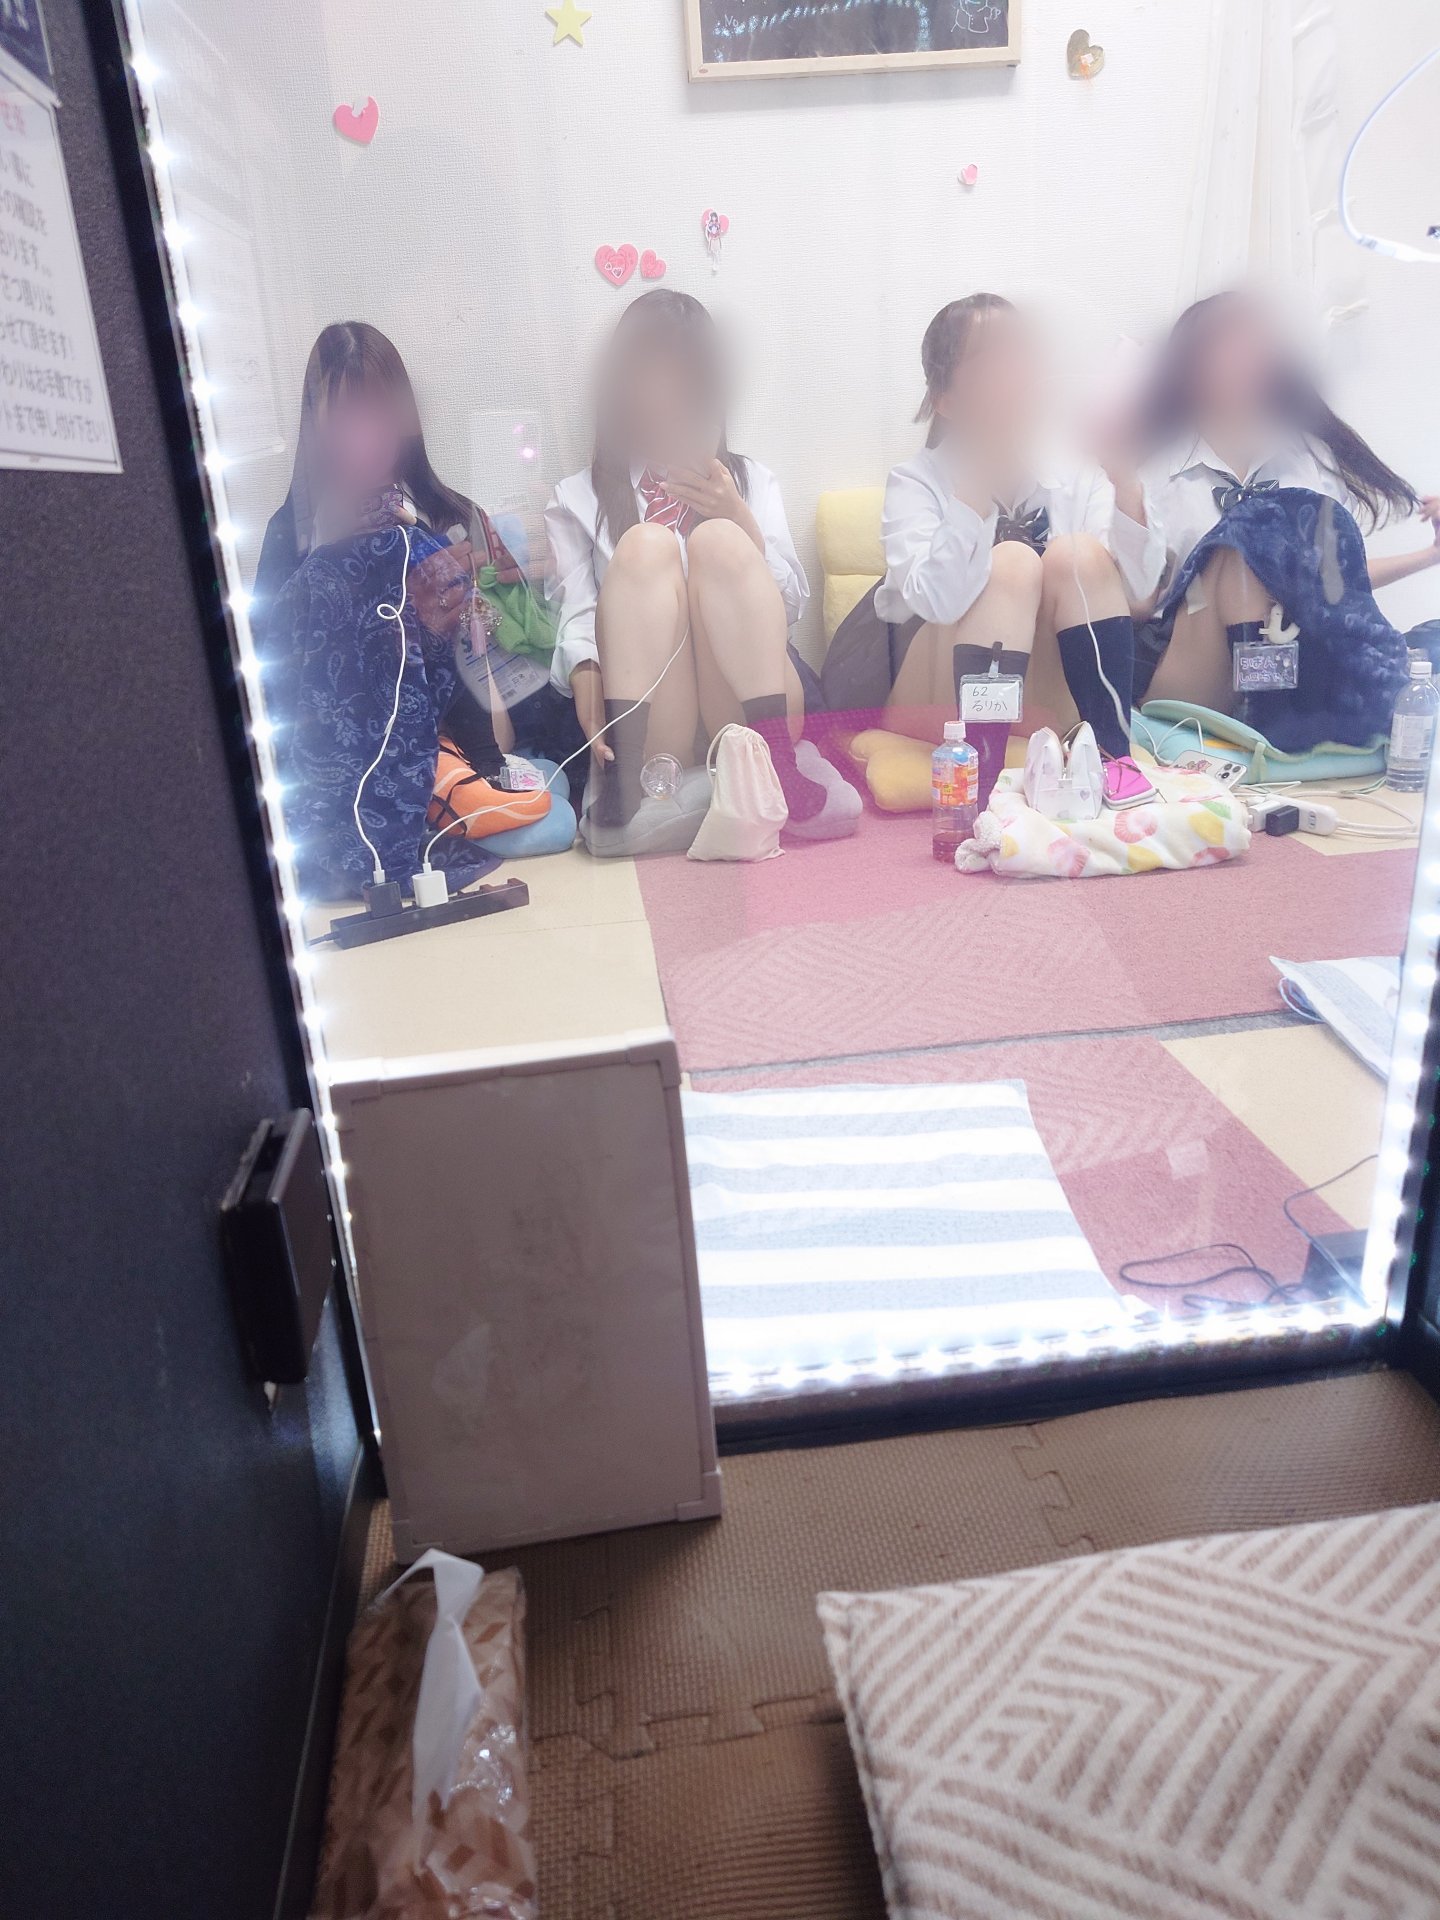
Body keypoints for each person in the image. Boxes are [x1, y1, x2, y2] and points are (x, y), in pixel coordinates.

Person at [254, 323, 581, 897]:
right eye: (345, 416)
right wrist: (327, 560)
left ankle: (466, 794)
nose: (363, 437)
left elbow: (513, 677)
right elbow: (275, 680)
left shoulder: (450, 517)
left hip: (467, 739)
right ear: (316, 424)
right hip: (353, 766)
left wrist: (484, 604)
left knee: (547, 818)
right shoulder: (293, 533)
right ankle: (455, 804)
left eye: (378, 413)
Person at [545, 289, 858, 855]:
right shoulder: (578, 497)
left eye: (682, 380)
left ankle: (776, 765)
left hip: (750, 705)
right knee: (645, 547)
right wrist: (587, 687)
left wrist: (736, 516)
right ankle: (625, 780)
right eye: (648, 376)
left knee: (718, 540)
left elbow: (787, 612)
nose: (663, 397)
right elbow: (578, 614)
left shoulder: (750, 480)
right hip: (652, 722)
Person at [822, 294, 1161, 806]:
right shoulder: (916, 482)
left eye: (1020, 354)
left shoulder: (1073, 472)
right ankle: (982, 780)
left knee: (1080, 555)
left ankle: (1116, 757)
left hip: (1047, 697)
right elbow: (935, 603)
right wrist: (976, 487)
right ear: (946, 399)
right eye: (989, 360)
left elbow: (1139, 596)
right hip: (933, 698)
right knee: (1013, 563)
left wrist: (1122, 473)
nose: (1013, 373)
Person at [1109, 289, 1440, 749]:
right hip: (1190, 664)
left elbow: (1334, 583)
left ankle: (1300, 717)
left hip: (1298, 654)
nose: (1246, 361)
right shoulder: (1154, 471)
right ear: (1190, 366)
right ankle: (1276, 718)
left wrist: (1430, 555)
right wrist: (1120, 469)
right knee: (1244, 544)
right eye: (1228, 347)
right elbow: (1138, 601)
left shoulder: (1310, 459)